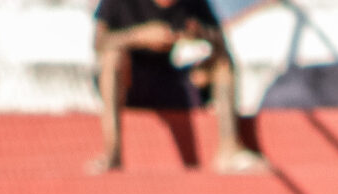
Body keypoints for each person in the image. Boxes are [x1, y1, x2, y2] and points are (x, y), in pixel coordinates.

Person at [90, 0, 265, 176]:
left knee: (222, 63)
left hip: (174, 82)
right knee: (112, 59)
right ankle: (112, 153)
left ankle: (229, 149)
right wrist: (139, 37)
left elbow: (221, 44)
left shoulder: (193, 4)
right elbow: (99, 42)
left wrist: (200, 33)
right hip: (131, 84)